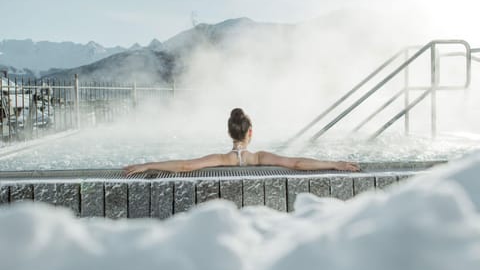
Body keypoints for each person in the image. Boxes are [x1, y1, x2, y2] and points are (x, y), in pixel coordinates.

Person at [123, 108, 360, 175]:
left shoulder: (221, 159)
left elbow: (185, 166)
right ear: (250, 133)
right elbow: (297, 163)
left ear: (229, 134)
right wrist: (334, 164)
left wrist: (149, 165)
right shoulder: (261, 157)